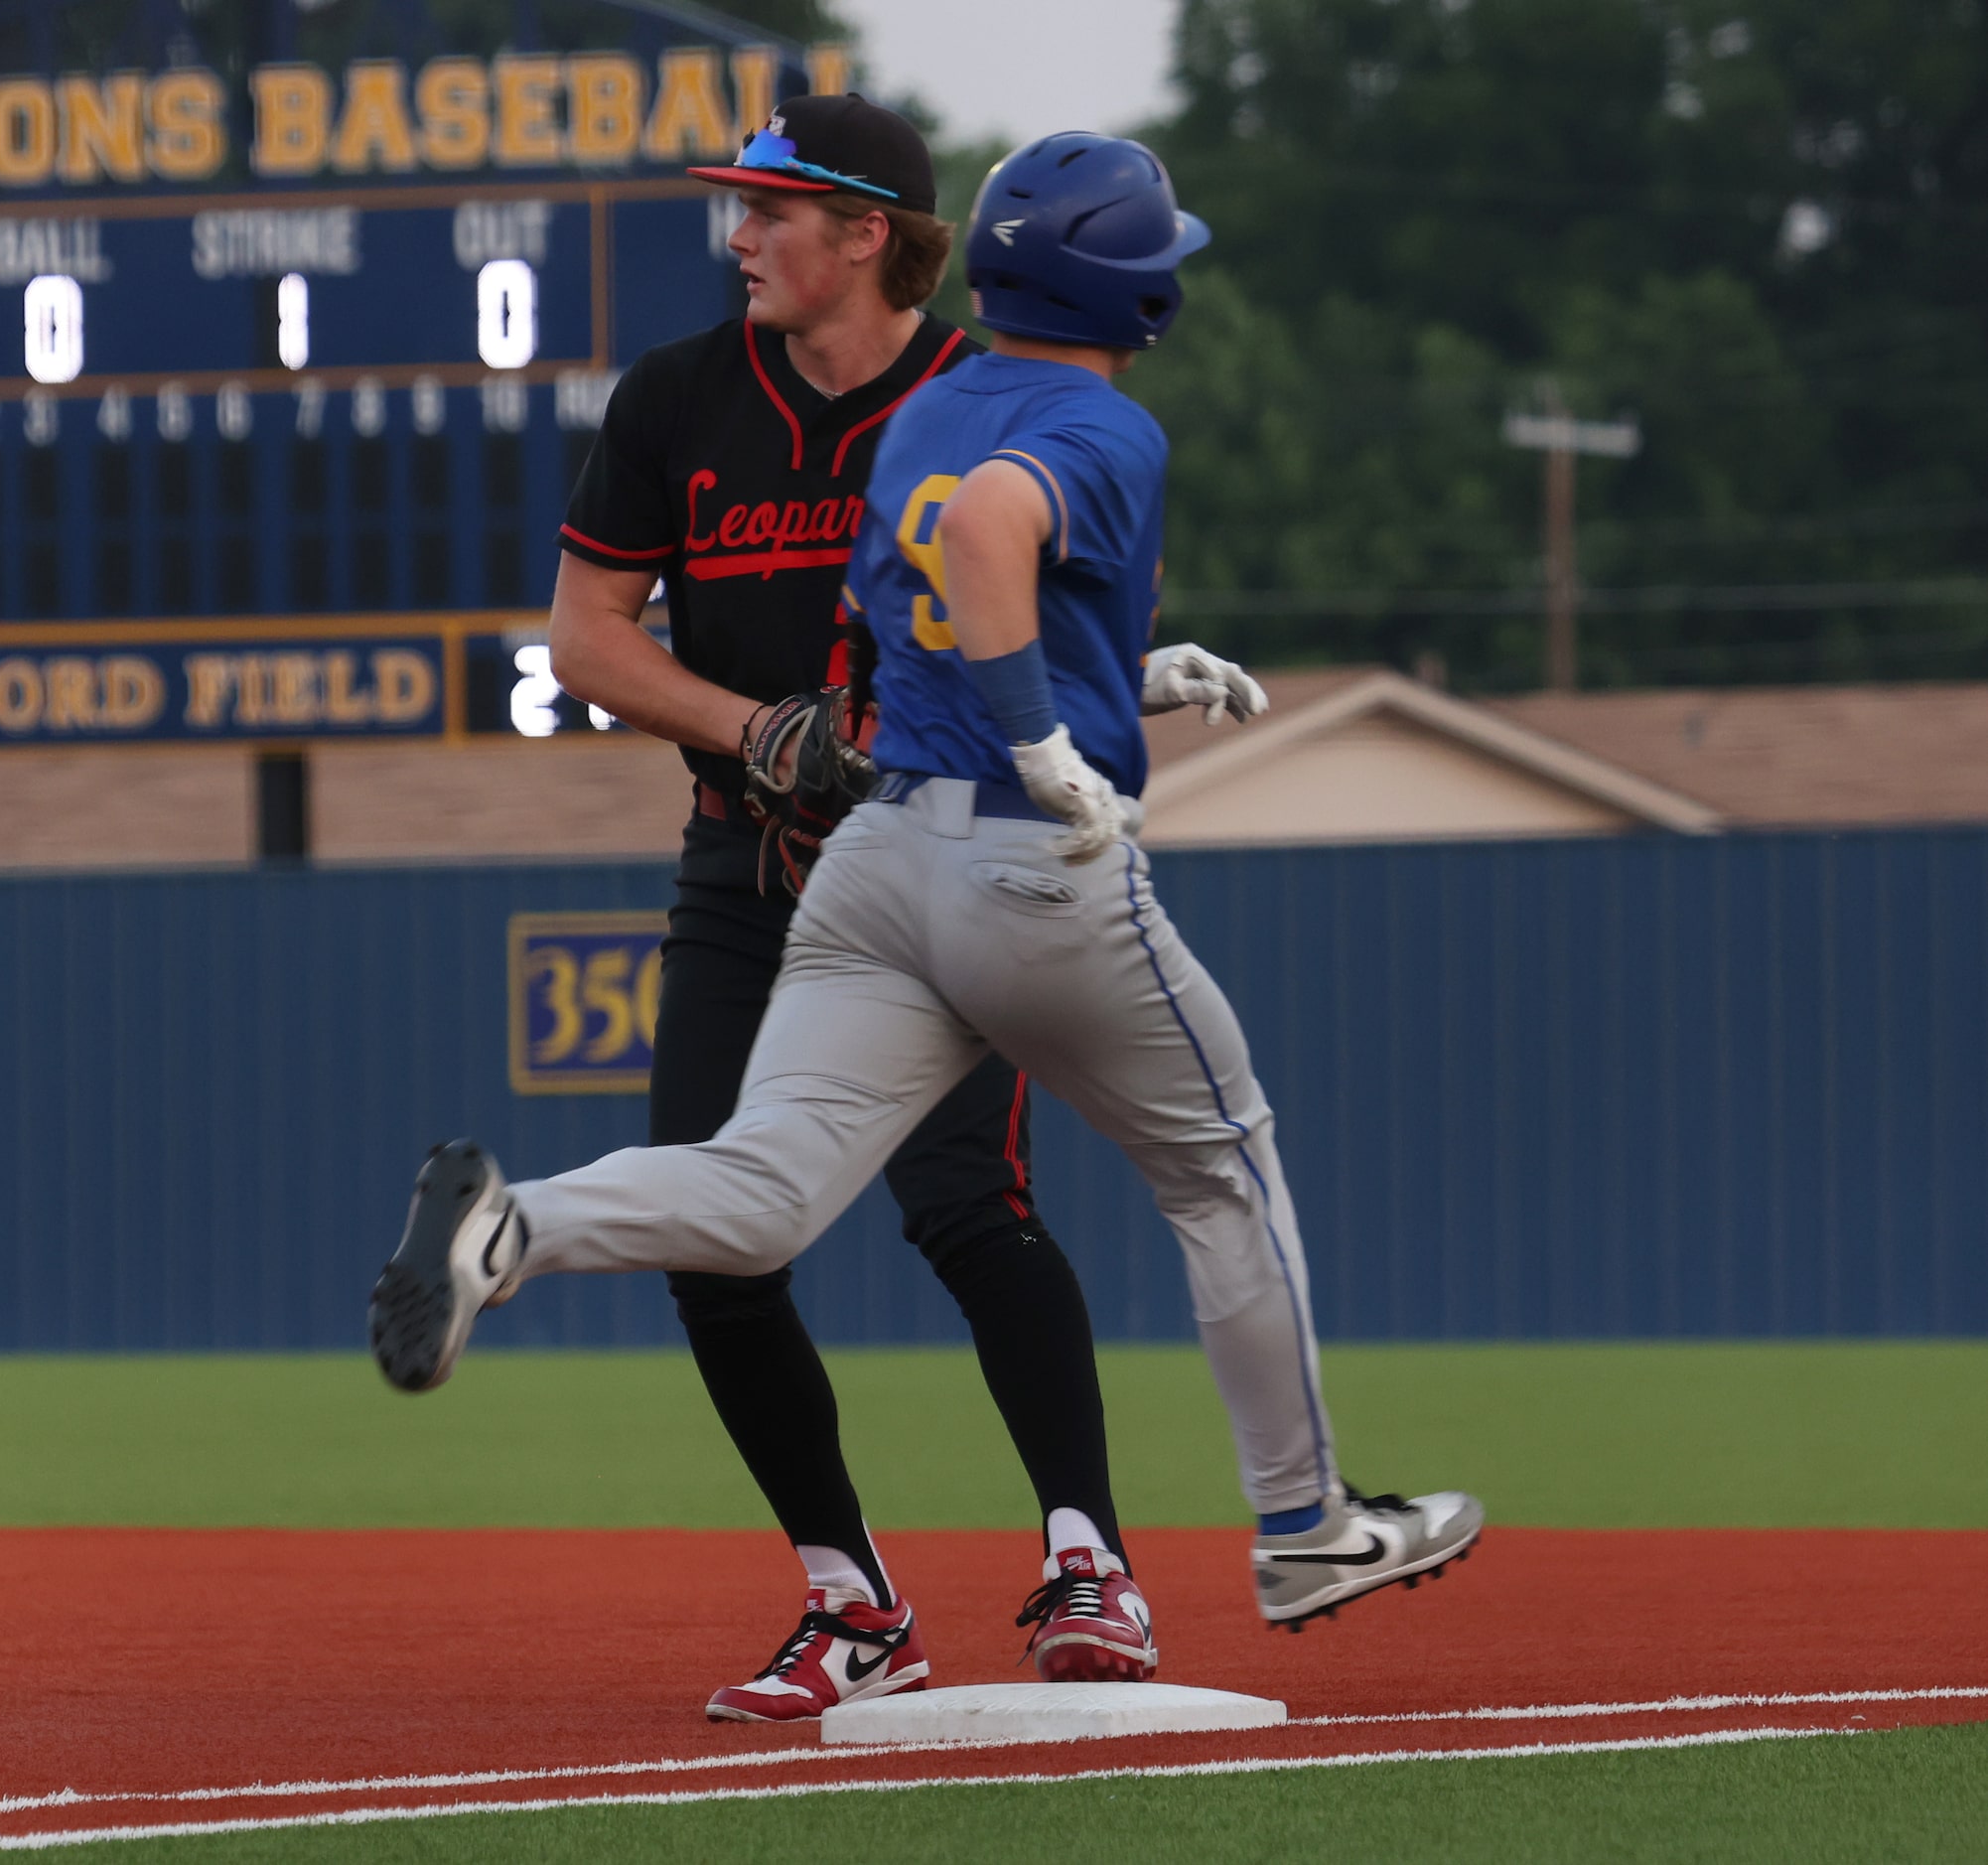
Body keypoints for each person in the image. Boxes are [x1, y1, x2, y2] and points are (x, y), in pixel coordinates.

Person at [373, 131, 1481, 1649]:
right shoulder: (1097, 427)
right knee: (1219, 1168)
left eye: (769, 211)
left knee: (758, 1189)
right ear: (1135, 290)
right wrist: (1047, 732)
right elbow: (983, 541)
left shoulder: (929, 409)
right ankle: (1303, 1529)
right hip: (1017, 864)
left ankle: (517, 1228)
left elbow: (914, 640)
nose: (743, 236)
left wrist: (1117, 683)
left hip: (878, 857)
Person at [419, 93, 1156, 1721]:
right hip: (744, 862)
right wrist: (753, 729)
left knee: (965, 1201)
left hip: (943, 853)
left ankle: (1089, 1560)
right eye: (736, 206)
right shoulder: (682, 398)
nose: (736, 234)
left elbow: (1066, 601)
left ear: (868, 234)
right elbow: (589, 640)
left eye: (767, 209)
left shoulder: (985, 392)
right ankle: (851, 1600)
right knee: (710, 1237)